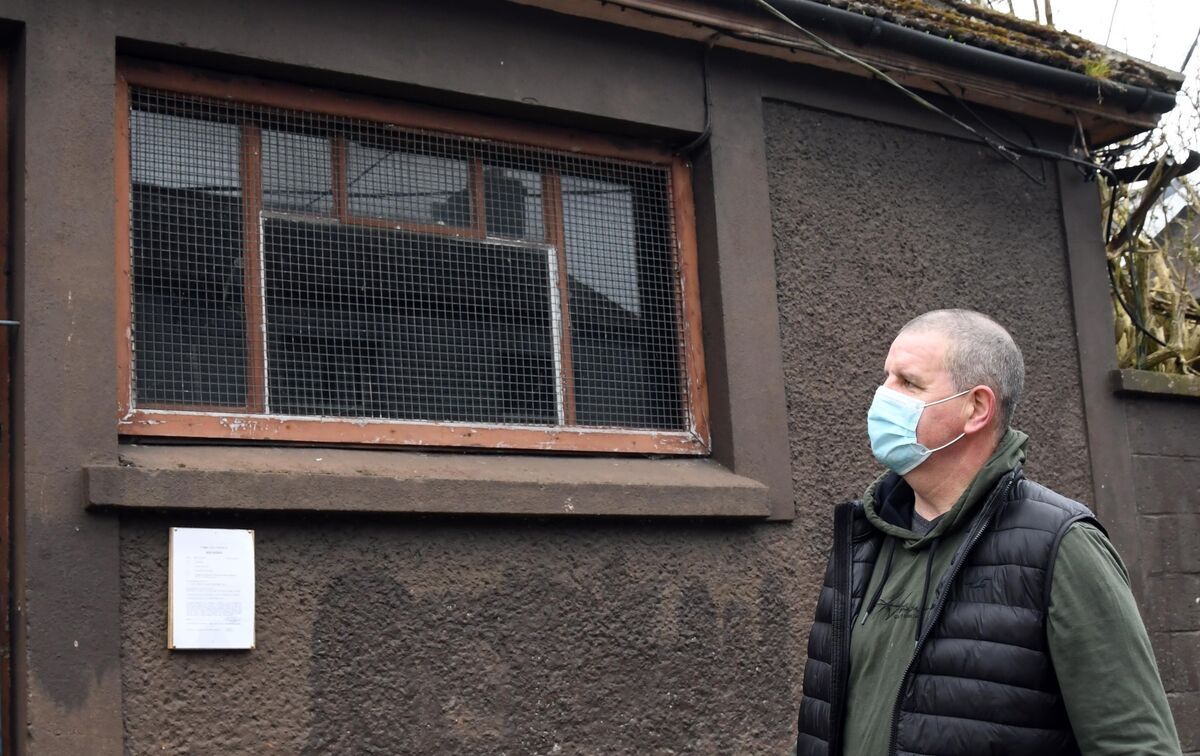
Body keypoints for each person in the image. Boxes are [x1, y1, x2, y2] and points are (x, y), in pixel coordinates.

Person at [793, 309, 1181, 756]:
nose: (883, 397)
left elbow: (1135, 744)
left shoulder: (1061, 544)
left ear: (976, 408)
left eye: (908, 383)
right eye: (885, 378)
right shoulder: (866, 537)